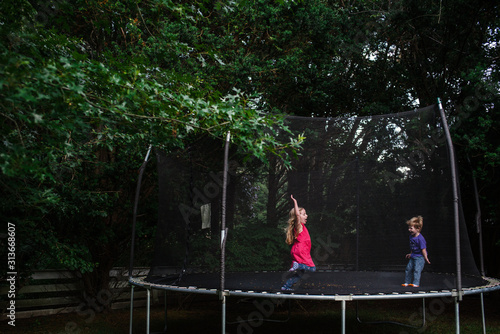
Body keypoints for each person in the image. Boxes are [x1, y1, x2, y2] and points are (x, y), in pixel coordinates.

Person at [281, 195, 316, 291]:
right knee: (312, 268)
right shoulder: (299, 226)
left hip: (299, 250)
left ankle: (286, 286)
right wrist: (295, 202)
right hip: (301, 251)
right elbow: (296, 215)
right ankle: (298, 265)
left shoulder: (302, 227)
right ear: (298, 216)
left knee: (300, 274)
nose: (306, 216)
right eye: (304, 214)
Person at [402, 216, 431, 288]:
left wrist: (426, 258)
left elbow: (423, 249)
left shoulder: (420, 239)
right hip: (413, 256)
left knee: (416, 270)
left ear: (418, 229)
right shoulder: (411, 237)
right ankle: (407, 282)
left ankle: (416, 283)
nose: (409, 230)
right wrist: (411, 253)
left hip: (419, 257)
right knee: (408, 269)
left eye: (411, 228)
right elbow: (412, 247)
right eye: (409, 228)